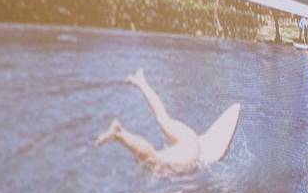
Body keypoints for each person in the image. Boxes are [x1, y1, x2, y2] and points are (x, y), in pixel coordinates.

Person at [95, 69, 240, 175]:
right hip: (190, 149)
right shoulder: (167, 168)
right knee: (154, 157)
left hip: (190, 145)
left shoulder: (167, 166)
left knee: (161, 125)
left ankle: (140, 84)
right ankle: (119, 133)